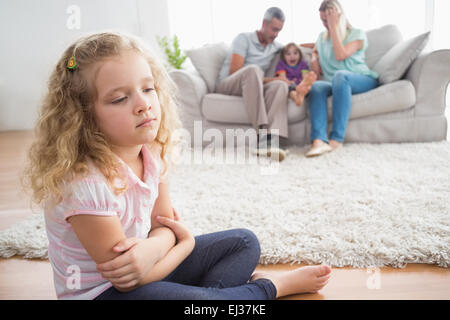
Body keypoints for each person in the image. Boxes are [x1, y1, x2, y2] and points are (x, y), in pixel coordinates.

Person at [24, 31, 331, 300]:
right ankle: (268, 289)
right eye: (119, 98)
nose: (143, 104)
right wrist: (181, 243)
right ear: (83, 116)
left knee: (243, 242)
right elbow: (131, 280)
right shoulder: (85, 181)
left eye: (148, 88)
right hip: (107, 294)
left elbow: (162, 227)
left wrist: (158, 245)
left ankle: (218, 297)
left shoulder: (152, 152)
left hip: (151, 266)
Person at [306, 0, 379, 157]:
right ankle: (318, 141)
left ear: (339, 16)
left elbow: (340, 55)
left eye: (327, 19)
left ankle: (336, 140)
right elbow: (317, 74)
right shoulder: (321, 38)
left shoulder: (357, 34)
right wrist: (313, 58)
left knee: (340, 76)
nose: (325, 24)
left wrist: (333, 27)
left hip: (361, 79)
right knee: (317, 86)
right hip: (334, 82)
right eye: (322, 20)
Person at [217, 7, 290, 162]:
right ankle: (262, 136)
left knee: (281, 86)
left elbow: (296, 48)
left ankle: (273, 139)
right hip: (229, 84)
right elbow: (235, 71)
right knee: (253, 70)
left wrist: (317, 45)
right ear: (264, 23)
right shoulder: (243, 39)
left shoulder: (275, 47)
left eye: (279, 31)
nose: (276, 34)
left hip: (254, 86)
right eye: (274, 29)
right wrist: (271, 79)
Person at [274, 42, 317, 106]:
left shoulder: (303, 64)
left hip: (301, 85)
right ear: (283, 56)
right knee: (290, 89)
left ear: (299, 55)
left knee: (308, 88)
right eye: (288, 54)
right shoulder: (281, 64)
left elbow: (305, 76)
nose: (292, 56)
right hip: (289, 84)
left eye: (295, 53)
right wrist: (290, 82)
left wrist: (305, 83)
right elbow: (282, 78)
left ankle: (301, 93)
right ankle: (297, 97)